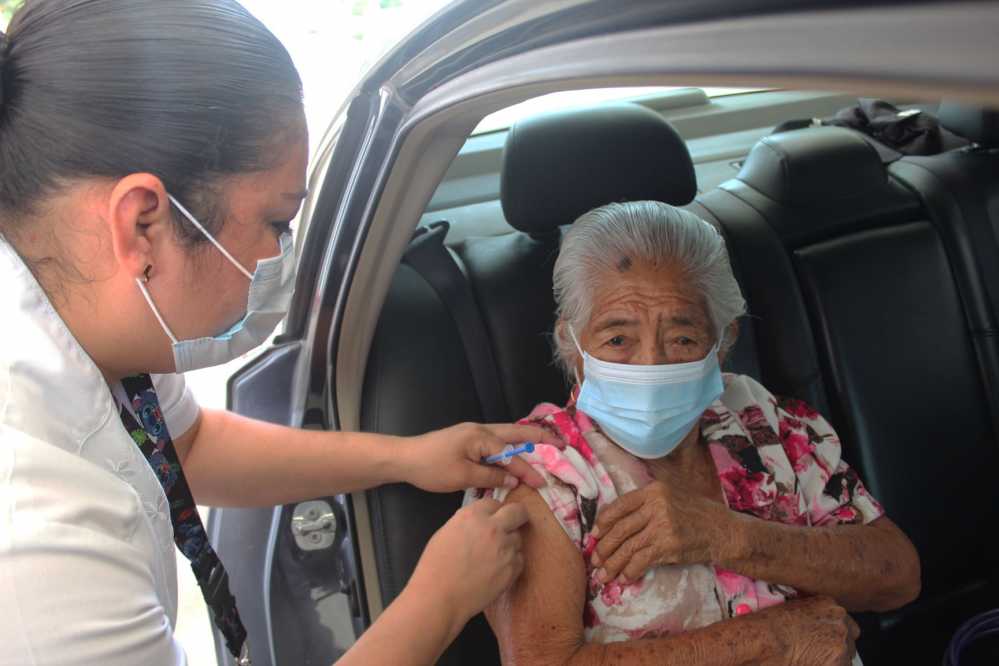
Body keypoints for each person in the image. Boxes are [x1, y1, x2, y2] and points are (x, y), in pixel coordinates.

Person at [0, 2, 555, 665]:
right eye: (276, 222)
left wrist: (408, 457)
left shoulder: (93, 329)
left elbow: (189, 447)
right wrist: (439, 599)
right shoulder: (36, 546)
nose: (279, 257)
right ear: (143, 223)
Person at [468, 201, 922, 664]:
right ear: (572, 344)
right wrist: (770, 638)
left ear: (723, 343)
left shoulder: (763, 422)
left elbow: (898, 576)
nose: (652, 364)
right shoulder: (544, 474)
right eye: (618, 340)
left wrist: (730, 535)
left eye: (682, 339)